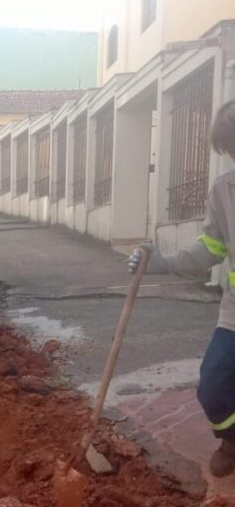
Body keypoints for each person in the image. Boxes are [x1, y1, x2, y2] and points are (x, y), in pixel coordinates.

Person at [128, 100, 235, 477]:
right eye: (232, 149)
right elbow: (213, 246)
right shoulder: (225, 191)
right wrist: (165, 261)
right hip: (234, 316)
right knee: (213, 387)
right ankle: (231, 440)